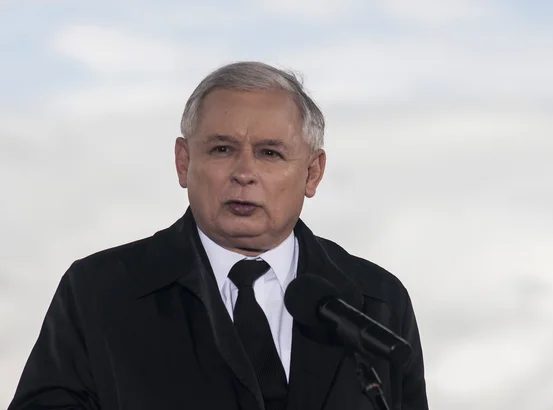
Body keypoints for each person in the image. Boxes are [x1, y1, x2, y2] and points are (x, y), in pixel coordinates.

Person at [8, 61, 429, 410]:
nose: (244, 173)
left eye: (270, 153)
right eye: (222, 149)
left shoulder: (376, 303)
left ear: (312, 172)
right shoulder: (100, 292)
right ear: (183, 162)